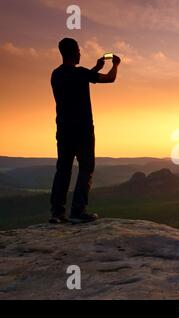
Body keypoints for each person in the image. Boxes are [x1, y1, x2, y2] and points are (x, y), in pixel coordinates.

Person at [49, 38, 121, 224]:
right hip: (83, 131)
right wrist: (116, 65)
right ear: (74, 52)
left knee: (63, 170)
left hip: (64, 130)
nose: (81, 53)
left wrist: (95, 68)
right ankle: (78, 210)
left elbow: (78, 79)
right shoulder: (81, 74)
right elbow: (110, 78)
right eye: (79, 50)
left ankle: (57, 213)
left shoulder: (56, 74)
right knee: (86, 168)